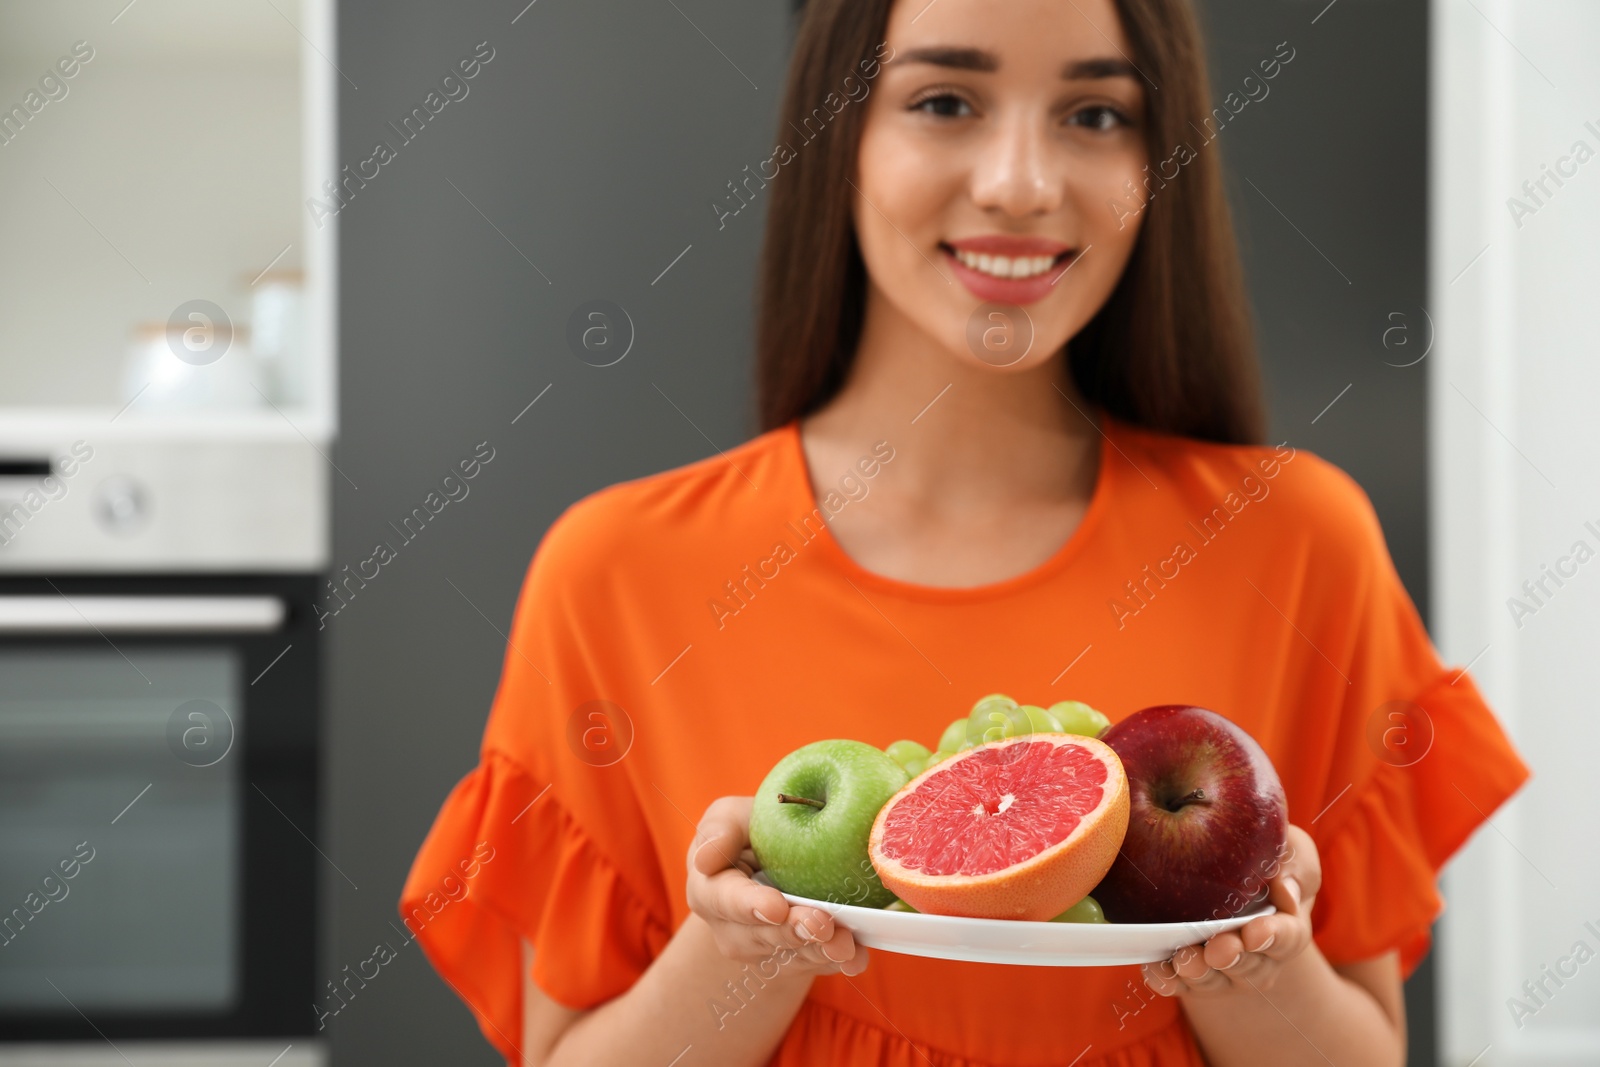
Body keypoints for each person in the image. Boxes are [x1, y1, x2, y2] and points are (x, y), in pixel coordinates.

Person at [401, 0, 1529, 1062]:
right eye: (945, 101)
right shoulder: (618, 572)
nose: (1021, 183)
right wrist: (747, 943)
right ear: (835, 132)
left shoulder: (1298, 542)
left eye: (1096, 114)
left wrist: (1249, 962)